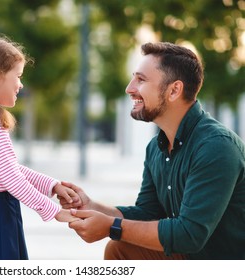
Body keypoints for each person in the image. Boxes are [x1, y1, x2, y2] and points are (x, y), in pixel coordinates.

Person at [59, 42, 245, 260]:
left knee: (118, 242)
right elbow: (149, 214)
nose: (130, 88)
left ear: (174, 90)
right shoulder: (156, 147)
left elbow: (189, 235)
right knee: (119, 249)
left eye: (141, 80)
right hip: (191, 257)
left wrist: (112, 226)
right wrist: (95, 208)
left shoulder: (216, 146)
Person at [0, 35, 80, 260]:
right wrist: (55, 212)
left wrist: (52, 185)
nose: (20, 84)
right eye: (18, 76)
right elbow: (13, 180)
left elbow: (6, 169)